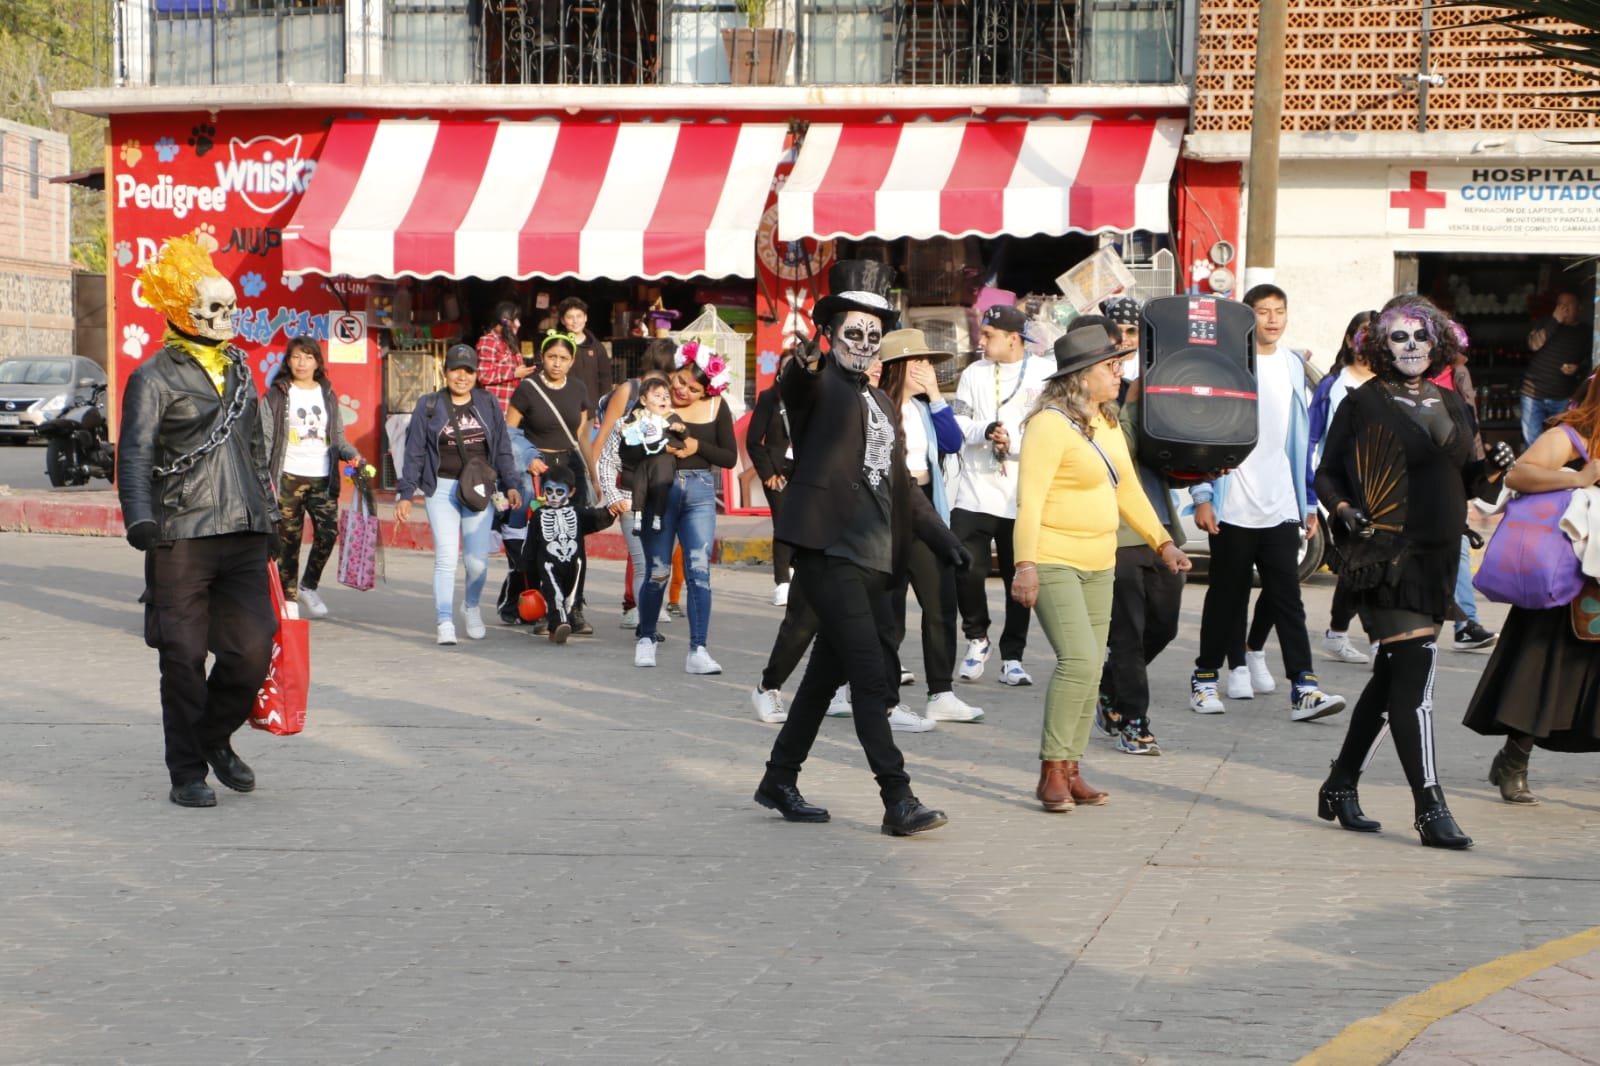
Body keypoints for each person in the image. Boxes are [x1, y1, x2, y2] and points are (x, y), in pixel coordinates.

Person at [753, 259, 965, 836]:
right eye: (853, 333)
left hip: (877, 560)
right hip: (829, 553)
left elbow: (902, 487)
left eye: (873, 337)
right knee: (873, 678)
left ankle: (779, 778)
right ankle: (898, 800)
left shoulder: (880, 404)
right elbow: (797, 384)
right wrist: (804, 361)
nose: (864, 344)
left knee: (824, 678)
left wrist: (945, 541)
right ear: (831, 336)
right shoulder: (819, 385)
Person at [1314, 297, 1514, 849]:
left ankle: (1339, 785)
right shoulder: (1362, 402)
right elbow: (1327, 474)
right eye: (1399, 337)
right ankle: (1429, 806)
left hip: (1440, 559)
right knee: (1417, 684)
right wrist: (1344, 510)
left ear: (1438, 343)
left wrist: (1493, 468)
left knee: (1390, 683)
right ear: (1380, 343)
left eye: (1421, 337)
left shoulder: (1454, 402)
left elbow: (1473, 484)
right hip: (1385, 557)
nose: (1411, 347)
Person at [118, 232, 281, 808]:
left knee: (254, 651)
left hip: (244, 531)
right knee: (183, 657)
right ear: (183, 311)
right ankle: (186, 771)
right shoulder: (153, 376)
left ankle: (212, 737)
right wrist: (140, 518)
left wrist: (273, 516)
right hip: (180, 534)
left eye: (233, 307)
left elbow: (258, 450)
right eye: (216, 308)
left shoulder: (242, 370)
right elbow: (135, 452)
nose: (228, 317)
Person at [1012, 324, 1191, 813]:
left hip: (1099, 560)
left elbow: (1128, 489)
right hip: (1053, 558)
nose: (1120, 372)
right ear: (1081, 375)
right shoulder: (1048, 424)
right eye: (1110, 366)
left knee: (1092, 672)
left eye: (1119, 364)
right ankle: (1051, 771)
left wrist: (1163, 542)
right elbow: (1030, 502)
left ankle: (1072, 770)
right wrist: (1024, 564)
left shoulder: (1108, 421)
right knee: (1080, 662)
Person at [750, 353, 948, 736]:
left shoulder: (882, 404)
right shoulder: (827, 397)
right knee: (803, 623)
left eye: (879, 357)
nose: (875, 363)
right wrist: (806, 368)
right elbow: (797, 392)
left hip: (870, 535)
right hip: (824, 534)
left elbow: (900, 475)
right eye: (866, 355)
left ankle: (884, 704)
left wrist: (939, 534)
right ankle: (768, 686)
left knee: (882, 621)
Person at [1187, 284, 1346, 722]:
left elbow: (1301, 442)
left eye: (1279, 311)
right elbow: (1201, 432)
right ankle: (1204, 680)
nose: (1272, 319)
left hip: (1279, 503)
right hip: (1232, 502)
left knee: (1286, 597)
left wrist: (1308, 502)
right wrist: (1202, 495)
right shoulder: (1224, 364)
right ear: (1246, 317)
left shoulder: (1295, 365)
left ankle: (1304, 688)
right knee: (1225, 596)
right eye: (1263, 311)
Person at [1463, 371, 1600, 805]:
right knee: (1545, 668)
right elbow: (1519, 476)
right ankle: (1514, 758)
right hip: (1569, 579)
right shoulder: (1574, 434)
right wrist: (1578, 479)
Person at [1077, 313, 1190, 758]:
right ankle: (1134, 723)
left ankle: (1110, 686)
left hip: (1160, 530)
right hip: (1115, 537)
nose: (1120, 360)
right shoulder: (1084, 407)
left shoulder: (1148, 394)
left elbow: (1159, 460)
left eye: (1124, 348)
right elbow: (1118, 452)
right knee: (1127, 635)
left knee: (1163, 627)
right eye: (1113, 353)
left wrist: (1198, 468)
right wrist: (1137, 395)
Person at [877, 328, 984, 724]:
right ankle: (884, 698)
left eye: (928, 362)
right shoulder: (877, 405)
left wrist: (938, 397)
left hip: (926, 510)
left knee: (941, 602)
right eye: (918, 361)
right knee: (888, 609)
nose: (926, 369)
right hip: (887, 514)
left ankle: (941, 691)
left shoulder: (924, 407)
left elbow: (954, 442)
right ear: (898, 365)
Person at [949, 304, 1056, 686]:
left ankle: (1013, 656)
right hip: (975, 493)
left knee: (1019, 576)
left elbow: (1053, 428)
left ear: (1014, 338)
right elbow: (958, 421)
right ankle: (977, 638)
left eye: (988, 335)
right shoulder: (972, 373)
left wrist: (1013, 443)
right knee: (966, 568)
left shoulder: (1044, 374)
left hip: (1022, 495)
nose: (981, 341)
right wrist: (985, 431)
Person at [395, 344, 523, 645]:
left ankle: (472, 606)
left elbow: (503, 447)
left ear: (477, 374)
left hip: (479, 489)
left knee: (478, 561)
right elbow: (413, 452)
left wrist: (512, 482)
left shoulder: (488, 403)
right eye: (456, 370)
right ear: (445, 372)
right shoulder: (429, 405)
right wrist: (405, 494)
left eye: (468, 371)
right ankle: (444, 620)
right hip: (440, 489)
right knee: (446, 557)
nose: (462, 376)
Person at [633, 340, 739, 674]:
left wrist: (695, 445)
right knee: (658, 571)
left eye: (693, 389)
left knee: (699, 573)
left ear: (706, 391)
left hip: (700, 493)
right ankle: (646, 638)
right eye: (679, 381)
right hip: (659, 493)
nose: (681, 390)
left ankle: (698, 650)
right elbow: (628, 446)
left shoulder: (717, 406)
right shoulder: (652, 401)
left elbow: (728, 456)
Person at [262, 335, 369, 620]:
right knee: (289, 541)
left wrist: (353, 454)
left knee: (327, 533)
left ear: (317, 363)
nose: (302, 363)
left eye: (308, 357)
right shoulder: (277, 394)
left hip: (323, 477)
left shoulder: (327, 394)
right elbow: (265, 438)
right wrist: (263, 475)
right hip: (288, 477)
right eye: (296, 357)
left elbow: (337, 437)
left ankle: (309, 586)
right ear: (288, 360)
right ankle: (289, 599)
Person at [508, 330, 595, 634]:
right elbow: (510, 433)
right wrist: (527, 460)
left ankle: (576, 607)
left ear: (572, 361)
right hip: (538, 472)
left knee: (575, 544)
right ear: (542, 358)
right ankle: (545, 610)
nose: (557, 363)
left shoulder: (580, 389)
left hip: (571, 469)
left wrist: (594, 477)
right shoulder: (527, 389)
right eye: (551, 357)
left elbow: (582, 436)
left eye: (563, 358)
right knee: (543, 545)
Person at [595, 338, 679, 628]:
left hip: (665, 499)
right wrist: (606, 490)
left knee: (659, 560)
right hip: (631, 497)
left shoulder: (675, 419)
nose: (664, 396)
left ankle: (649, 609)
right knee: (642, 560)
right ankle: (642, 618)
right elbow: (605, 449)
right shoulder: (627, 415)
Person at [1310, 310, 1377, 664]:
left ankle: (1337, 632)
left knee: (1360, 566)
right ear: (1350, 338)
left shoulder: (1390, 383)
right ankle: (1379, 639)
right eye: (1360, 333)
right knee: (1361, 562)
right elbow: (1312, 437)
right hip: (1341, 492)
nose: (1365, 340)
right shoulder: (1334, 384)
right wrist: (1313, 493)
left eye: (1373, 333)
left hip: (1381, 490)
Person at [523, 460, 615, 644]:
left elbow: (597, 519)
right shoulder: (538, 514)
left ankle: (568, 618)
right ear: (543, 490)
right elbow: (530, 543)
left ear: (571, 492)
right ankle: (559, 625)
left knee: (573, 594)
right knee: (553, 593)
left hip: (575, 563)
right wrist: (526, 566)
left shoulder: (578, 512)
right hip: (548, 563)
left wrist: (611, 511)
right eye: (549, 491)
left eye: (560, 491)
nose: (554, 496)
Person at [747, 357, 796, 606]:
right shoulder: (769, 398)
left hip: (805, 469)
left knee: (807, 522)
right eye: (786, 364)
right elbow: (754, 441)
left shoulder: (815, 397)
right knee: (785, 524)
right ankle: (782, 581)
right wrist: (767, 474)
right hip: (778, 472)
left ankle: (798, 573)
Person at [617, 374, 687, 533]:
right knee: (639, 486)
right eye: (657, 396)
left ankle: (657, 517)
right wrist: (625, 432)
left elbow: (681, 440)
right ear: (643, 400)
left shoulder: (671, 418)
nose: (663, 400)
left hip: (662, 465)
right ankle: (638, 518)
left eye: (666, 396)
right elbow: (627, 442)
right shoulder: (638, 416)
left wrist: (680, 429)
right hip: (643, 464)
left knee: (660, 488)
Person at [1522, 291, 1590, 448]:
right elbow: (1534, 345)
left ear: (1579, 308)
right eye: (1560, 305)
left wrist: (1577, 368)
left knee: (1560, 444)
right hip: (1533, 394)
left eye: (1568, 305)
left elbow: (1591, 361)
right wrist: (1555, 321)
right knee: (1532, 444)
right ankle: (1533, 472)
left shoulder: (1585, 332)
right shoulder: (1544, 323)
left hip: (1562, 397)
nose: (1564, 309)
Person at [557, 295, 613, 420]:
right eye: (570, 317)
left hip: (591, 412)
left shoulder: (597, 347)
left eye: (579, 316)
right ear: (562, 320)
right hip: (562, 410)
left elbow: (605, 379)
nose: (575, 321)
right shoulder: (557, 346)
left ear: (585, 318)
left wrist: (602, 408)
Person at [475, 300, 536, 412]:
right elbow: (483, 375)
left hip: (513, 408)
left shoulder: (511, 343)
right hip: (495, 409)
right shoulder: (489, 341)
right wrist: (513, 373)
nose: (518, 324)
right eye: (515, 320)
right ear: (505, 321)